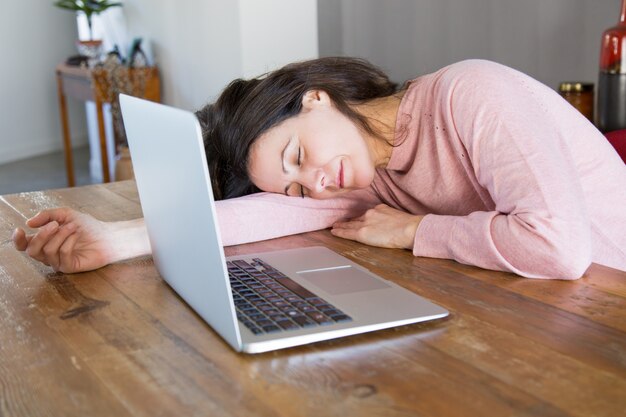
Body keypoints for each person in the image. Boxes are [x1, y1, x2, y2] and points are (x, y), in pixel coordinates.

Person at [11, 57, 626, 279]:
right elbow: (264, 212)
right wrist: (116, 240)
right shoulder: (365, 173)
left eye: (298, 156)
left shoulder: (473, 94)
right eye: (300, 182)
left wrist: (417, 232)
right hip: (551, 315)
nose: (316, 182)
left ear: (314, 96)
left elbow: (559, 248)